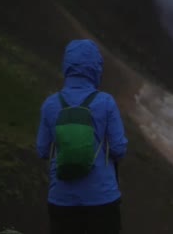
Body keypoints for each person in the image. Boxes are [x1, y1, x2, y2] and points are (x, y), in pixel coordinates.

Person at [36, 39, 128, 234]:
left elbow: (43, 150)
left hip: (61, 201)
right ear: (96, 67)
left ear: (66, 66)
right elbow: (119, 148)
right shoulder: (106, 102)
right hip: (102, 199)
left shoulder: (51, 104)